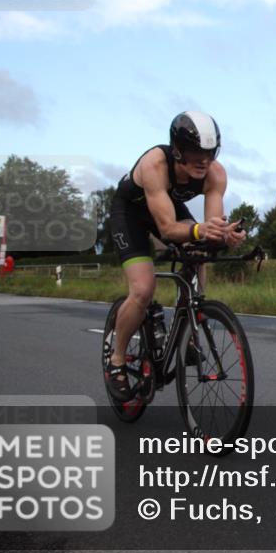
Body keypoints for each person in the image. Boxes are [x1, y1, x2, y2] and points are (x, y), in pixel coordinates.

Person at [105, 111, 245, 401]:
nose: (203, 160)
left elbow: (211, 228)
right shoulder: (155, 164)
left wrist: (226, 236)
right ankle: (117, 360)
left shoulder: (215, 174)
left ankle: (189, 328)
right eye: (195, 152)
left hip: (166, 207)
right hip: (130, 214)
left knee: (199, 254)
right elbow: (168, 229)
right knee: (143, 289)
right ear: (178, 148)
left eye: (209, 152)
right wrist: (200, 231)